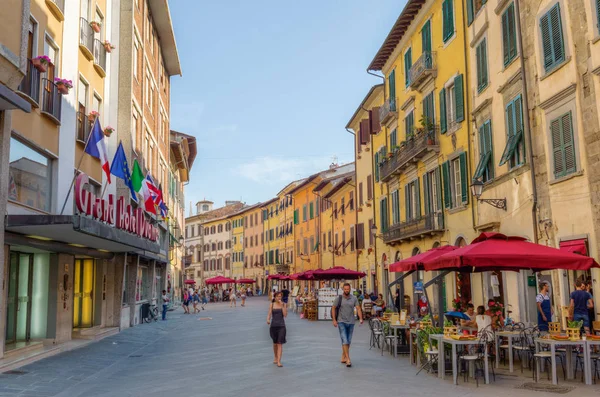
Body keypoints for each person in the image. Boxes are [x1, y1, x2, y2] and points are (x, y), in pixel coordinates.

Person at [332, 283, 363, 367]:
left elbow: (358, 308)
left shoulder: (354, 298)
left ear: (350, 289)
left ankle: (343, 356)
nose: (346, 290)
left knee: (348, 341)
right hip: (341, 321)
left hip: (351, 322)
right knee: (345, 340)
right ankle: (348, 359)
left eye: (348, 289)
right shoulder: (339, 298)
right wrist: (334, 320)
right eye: (345, 289)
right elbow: (333, 308)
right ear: (343, 289)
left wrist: (360, 318)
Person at [267, 291, 287, 367]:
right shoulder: (272, 304)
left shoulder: (284, 304)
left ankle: (279, 361)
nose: (279, 298)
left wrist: (282, 306)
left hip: (281, 326)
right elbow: (269, 313)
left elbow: (285, 315)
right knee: (275, 343)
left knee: (279, 343)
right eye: (278, 296)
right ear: (275, 297)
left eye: (280, 296)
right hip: (273, 326)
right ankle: (275, 357)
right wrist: (268, 319)